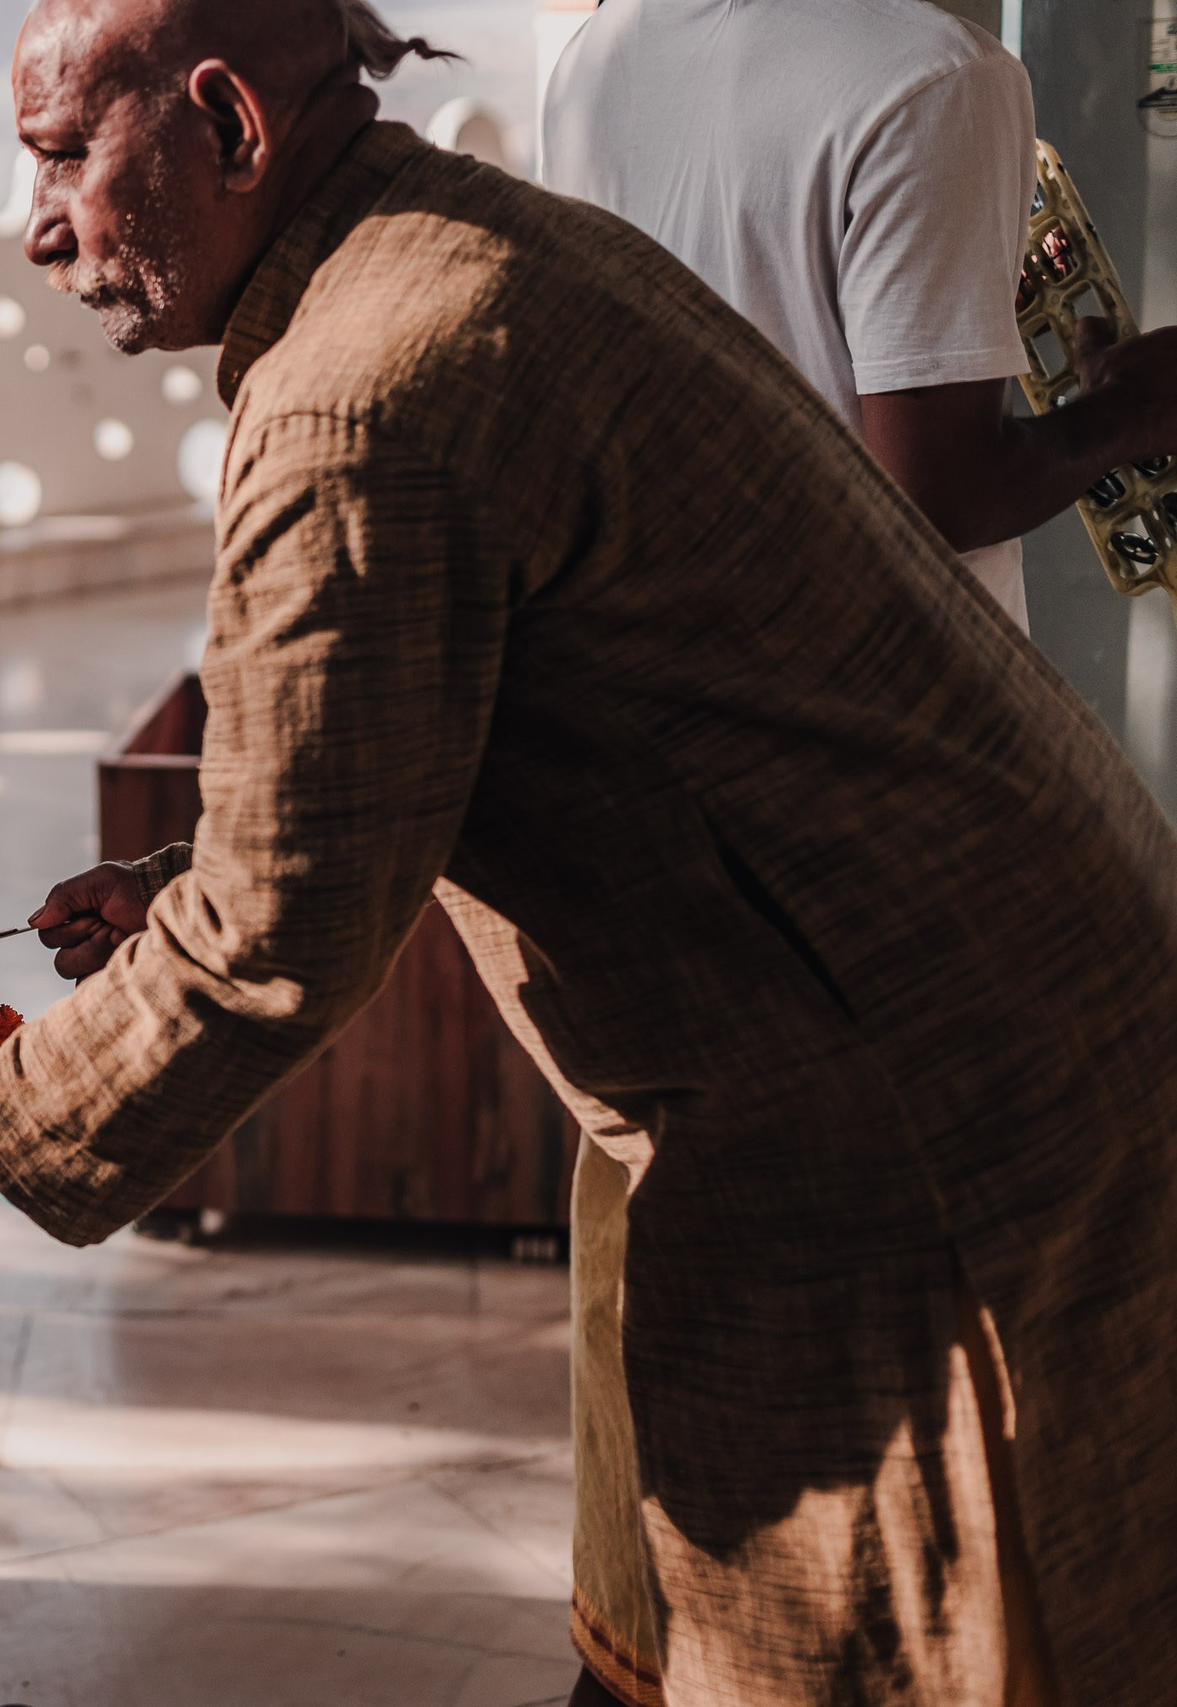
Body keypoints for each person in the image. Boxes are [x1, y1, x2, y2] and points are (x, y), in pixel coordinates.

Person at [0, 0, 1177, 1700]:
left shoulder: (357, 394)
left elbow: (273, 934)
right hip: (964, 1010)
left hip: (920, 1112)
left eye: (62, 160)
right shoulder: (453, 244)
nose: (38, 226)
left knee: (921, 1636)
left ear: (231, 127)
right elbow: (439, 721)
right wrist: (197, 867)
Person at [538, 11, 1177, 1698]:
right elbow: (932, 484)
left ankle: (656, 1634)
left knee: (671, 1230)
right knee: (932, 1310)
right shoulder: (934, 77)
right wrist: (1123, 415)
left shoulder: (602, 50)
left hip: (656, 749)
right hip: (879, 789)